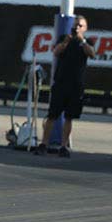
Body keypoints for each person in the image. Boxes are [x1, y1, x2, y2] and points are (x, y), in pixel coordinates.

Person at [35, 14, 95, 158]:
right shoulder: (64, 39)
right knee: (52, 115)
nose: (77, 27)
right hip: (61, 84)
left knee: (69, 117)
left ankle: (63, 146)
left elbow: (92, 54)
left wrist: (81, 41)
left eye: (80, 25)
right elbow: (56, 52)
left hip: (75, 85)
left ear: (85, 28)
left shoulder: (87, 42)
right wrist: (66, 43)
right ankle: (44, 144)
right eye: (75, 25)